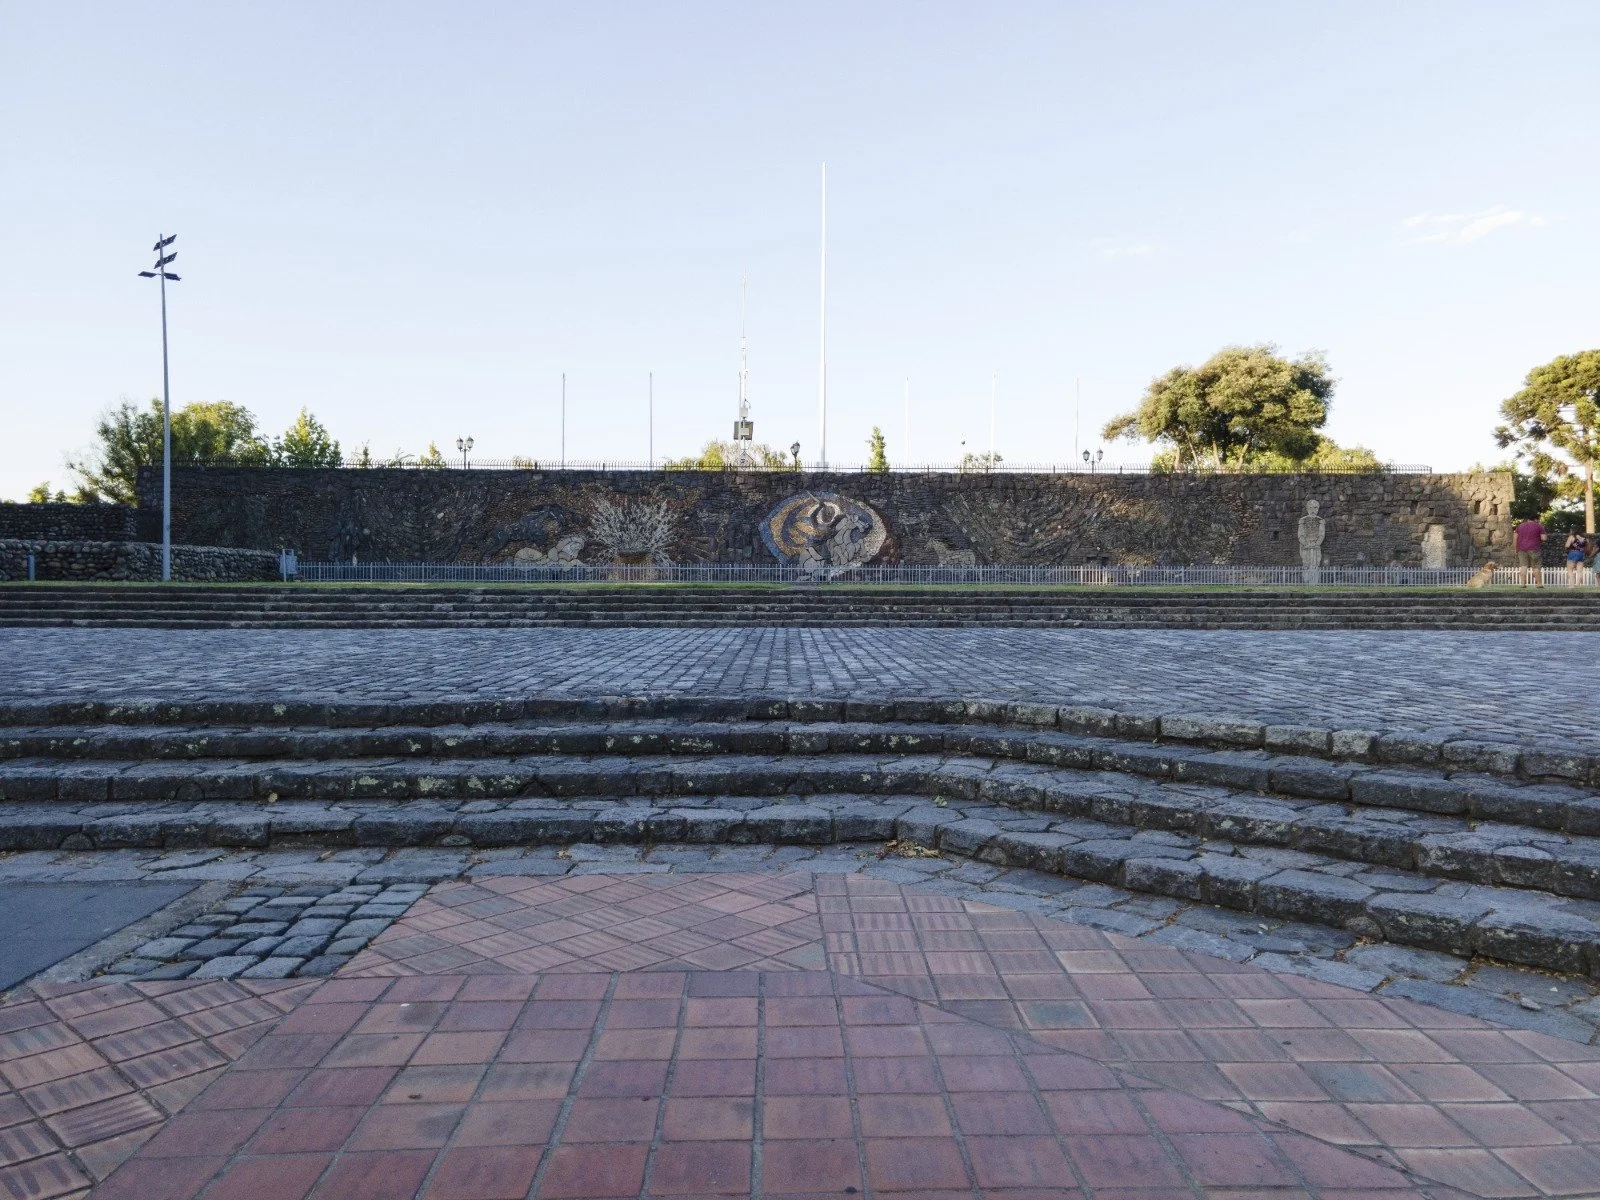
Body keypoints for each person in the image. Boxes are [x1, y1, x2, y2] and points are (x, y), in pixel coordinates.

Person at [1513, 516, 1546, 586]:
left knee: (1523, 566)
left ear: (1528, 519)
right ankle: (1539, 584)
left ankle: (1522, 584)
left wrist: (1515, 549)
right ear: (1536, 519)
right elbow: (1544, 538)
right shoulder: (1539, 526)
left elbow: (1515, 538)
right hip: (1534, 549)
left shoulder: (1520, 526)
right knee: (1536, 567)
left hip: (1521, 549)